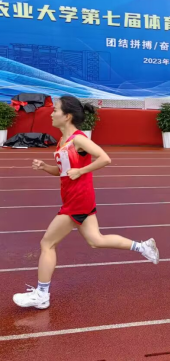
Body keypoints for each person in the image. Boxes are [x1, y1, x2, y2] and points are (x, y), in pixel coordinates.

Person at [13, 96, 159, 310]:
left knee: (47, 244)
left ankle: (42, 295)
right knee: (95, 240)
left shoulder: (78, 140)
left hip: (77, 200)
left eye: (56, 110)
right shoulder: (62, 141)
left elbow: (104, 158)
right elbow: (64, 172)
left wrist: (81, 170)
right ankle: (143, 246)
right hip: (76, 197)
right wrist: (45, 167)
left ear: (67, 116)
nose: (52, 113)